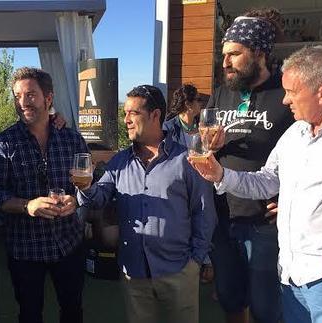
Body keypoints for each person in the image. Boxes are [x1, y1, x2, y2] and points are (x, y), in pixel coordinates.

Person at [191, 46, 322, 323]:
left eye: (292, 91)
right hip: (291, 277)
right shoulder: (295, 133)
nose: (285, 100)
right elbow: (267, 182)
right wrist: (221, 175)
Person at [73, 85, 216, 323]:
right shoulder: (119, 161)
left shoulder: (187, 160)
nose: (126, 120)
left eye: (133, 113)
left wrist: (195, 261)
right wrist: (85, 187)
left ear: (155, 115)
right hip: (134, 272)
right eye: (125, 113)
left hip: (178, 269)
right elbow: (99, 198)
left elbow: (204, 213)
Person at [205, 7, 296, 323]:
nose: (225, 62)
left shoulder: (286, 96)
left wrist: (290, 200)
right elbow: (206, 146)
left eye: (234, 54)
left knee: (266, 308)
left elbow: (305, 156)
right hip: (223, 215)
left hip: (264, 221)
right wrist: (208, 146)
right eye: (224, 54)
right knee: (231, 301)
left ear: (259, 53)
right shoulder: (220, 94)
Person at [0, 67, 88, 323]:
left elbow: (85, 185)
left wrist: (75, 200)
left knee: (73, 310)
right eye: (17, 96)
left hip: (68, 242)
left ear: (48, 98)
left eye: (30, 94)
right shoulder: (2, 144)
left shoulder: (72, 139)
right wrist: (27, 205)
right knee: (30, 314)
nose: (22, 102)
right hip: (25, 248)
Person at [163, 84, 215, 282]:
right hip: (181, 184)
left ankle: (203, 261)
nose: (201, 104)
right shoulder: (168, 128)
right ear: (188, 104)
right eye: (198, 100)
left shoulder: (203, 126)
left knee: (206, 220)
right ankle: (190, 265)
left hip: (203, 181)